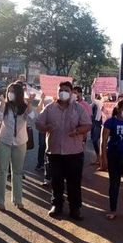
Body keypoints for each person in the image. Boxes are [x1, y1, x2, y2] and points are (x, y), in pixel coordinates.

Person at [36, 81, 92, 220]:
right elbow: (38, 123)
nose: (63, 92)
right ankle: (57, 205)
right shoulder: (49, 108)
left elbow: (88, 125)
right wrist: (45, 127)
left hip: (74, 153)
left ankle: (75, 208)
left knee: (74, 183)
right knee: (56, 182)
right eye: (60, 90)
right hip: (55, 152)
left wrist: (78, 131)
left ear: (71, 92)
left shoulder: (78, 109)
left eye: (66, 90)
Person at [0, 82, 35, 211]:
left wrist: (29, 104)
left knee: (17, 172)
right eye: (9, 91)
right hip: (5, 141)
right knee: (2, 171)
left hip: (20, 142)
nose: (10, 93)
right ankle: (0, 201)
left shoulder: (24, 106)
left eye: (13, 91)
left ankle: (18, 200)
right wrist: (2, 103)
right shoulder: (5, 105)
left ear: (18, 93)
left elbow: (33, 120)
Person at [90, 94, 104, 167]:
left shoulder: (109, 102)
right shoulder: (97, 103)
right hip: (96, 122)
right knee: (94, 140)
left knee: (103, 142)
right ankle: (99, 158)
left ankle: (103, 160)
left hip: (103, 123)